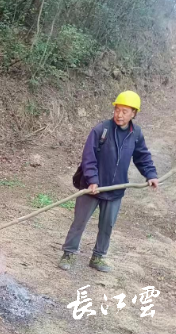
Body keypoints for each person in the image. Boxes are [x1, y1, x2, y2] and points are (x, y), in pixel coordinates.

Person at [59, 91, 158, 272]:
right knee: (79, 221)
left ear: (133, 113)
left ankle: (98, 257)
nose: (119, 115)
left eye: (124, 111)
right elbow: (88, 158)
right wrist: (92, 180)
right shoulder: (101, 130)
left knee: (107, 225)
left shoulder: (136, 133)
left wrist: (150, 174)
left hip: (115, 190)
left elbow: (142, 156)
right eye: (117, 110)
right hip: (92, 188)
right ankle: (69, 253)